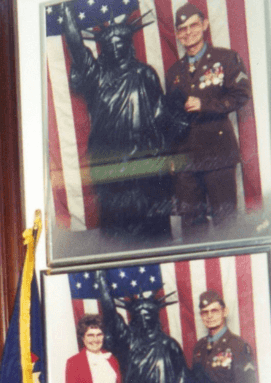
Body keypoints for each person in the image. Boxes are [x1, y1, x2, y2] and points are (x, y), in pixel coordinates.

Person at [61, 2, 177, 239]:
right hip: (111, 167)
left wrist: (166, 156)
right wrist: (65, 9)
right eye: (109, 45)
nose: (115, 49)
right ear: (102, 48)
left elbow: (161, 118)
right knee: (116, 232)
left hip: (145, 165)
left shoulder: (145, 73)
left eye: (120, 44)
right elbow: (75, 44)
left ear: (128, 45)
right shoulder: (96, 75)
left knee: (153, 231)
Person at [166, 3, 252, 233]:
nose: (188, 32)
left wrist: (205, 105)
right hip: (186, 159)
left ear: (204, 25)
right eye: (182, 28)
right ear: (177, 33)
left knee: (226, 223)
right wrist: (172, 155)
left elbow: (241, 95)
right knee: (192, 226)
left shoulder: (226, 59)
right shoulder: (173, 73)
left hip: (218, 154)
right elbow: (172, 118)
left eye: (193, 25)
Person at [65, 314, 122, 383]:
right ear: (83, 337)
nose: (95, 339)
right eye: (90, 335)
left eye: (99, 334)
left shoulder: (111, 358)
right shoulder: (74, 362)